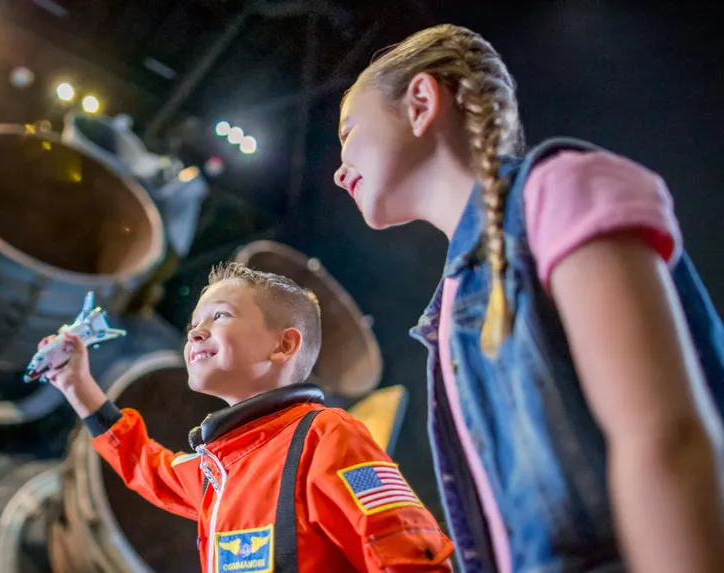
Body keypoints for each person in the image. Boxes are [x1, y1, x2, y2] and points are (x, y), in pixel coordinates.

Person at [333, 23, 724, 573]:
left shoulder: (557, 189)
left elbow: (665, 440)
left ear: (420, 102)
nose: (337, 168)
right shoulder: (447, 306)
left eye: (348, 132)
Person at [40, 262, 455, 572]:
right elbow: (144, 465)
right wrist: (77, 385)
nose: (195, 333)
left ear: (283, 345)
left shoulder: (329, 436)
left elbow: (409, 553)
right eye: (192, 324)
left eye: (219, 316)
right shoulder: (218, 470)